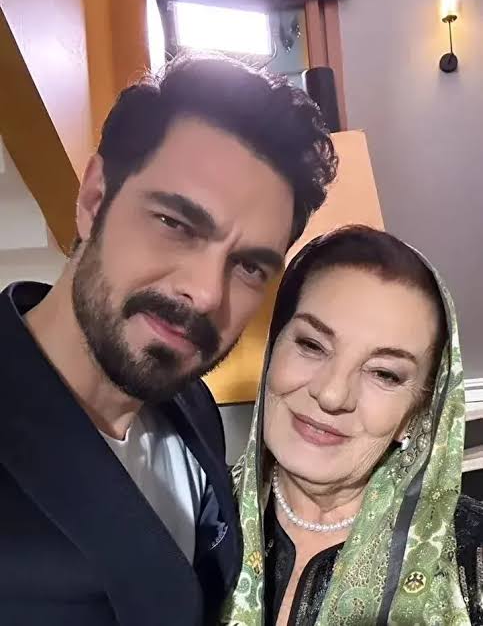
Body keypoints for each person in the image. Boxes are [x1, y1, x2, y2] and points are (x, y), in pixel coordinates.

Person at [0, 54, 337, 626]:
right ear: (94, 200)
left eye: (249, 266)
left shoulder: (191, 403)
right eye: (175, 224)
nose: (205, 294)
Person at [222, 225, 483, 626]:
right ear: (274, 348)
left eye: (384, 373)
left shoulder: (473, 556)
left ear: (415, 415)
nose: (332, 395)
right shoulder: (194, 515)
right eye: (312, 345)